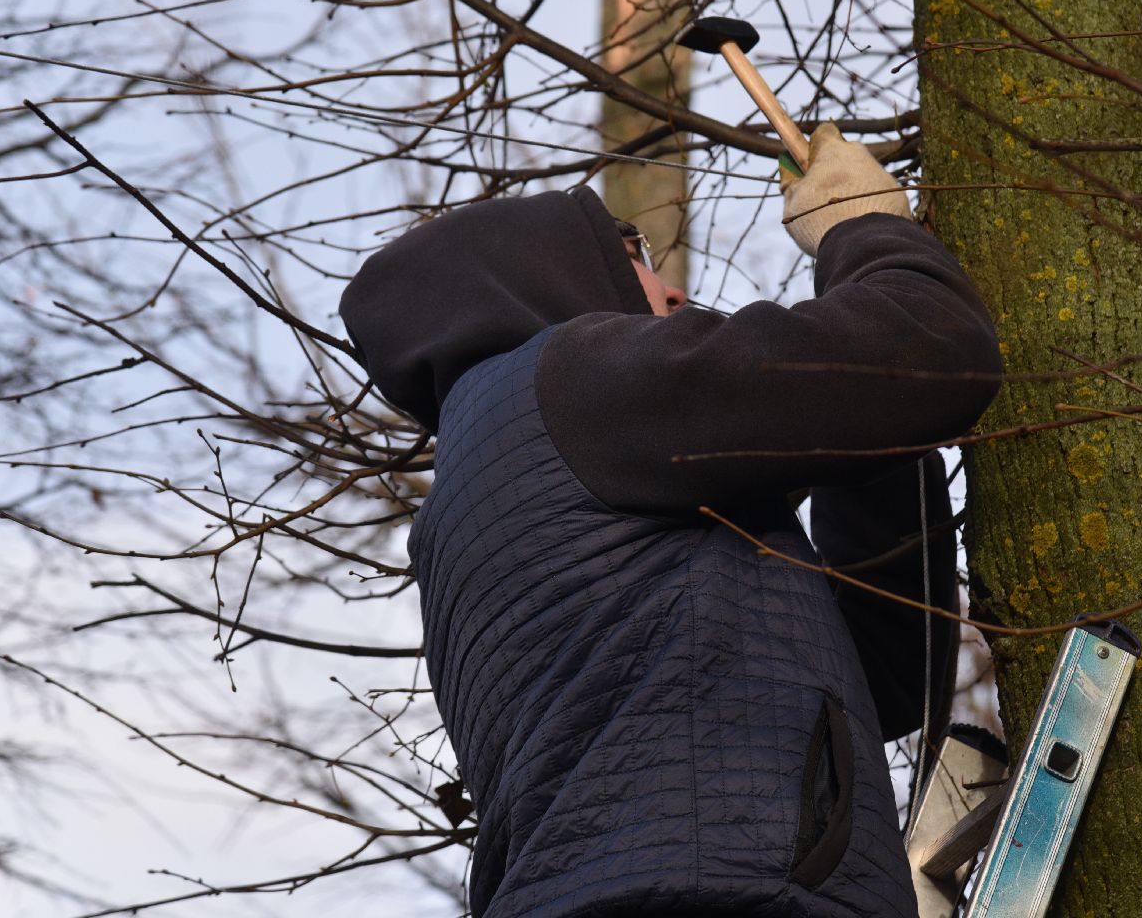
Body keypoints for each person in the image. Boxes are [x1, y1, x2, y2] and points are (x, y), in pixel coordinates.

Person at [339, 123, 1002, 917]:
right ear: (543, 273)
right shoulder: (572, 383)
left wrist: (875, 432)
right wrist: (867, 229)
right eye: (635, 259)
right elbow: (930, 350)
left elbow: (877, 685)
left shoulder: (475, 499)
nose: (676, 292)